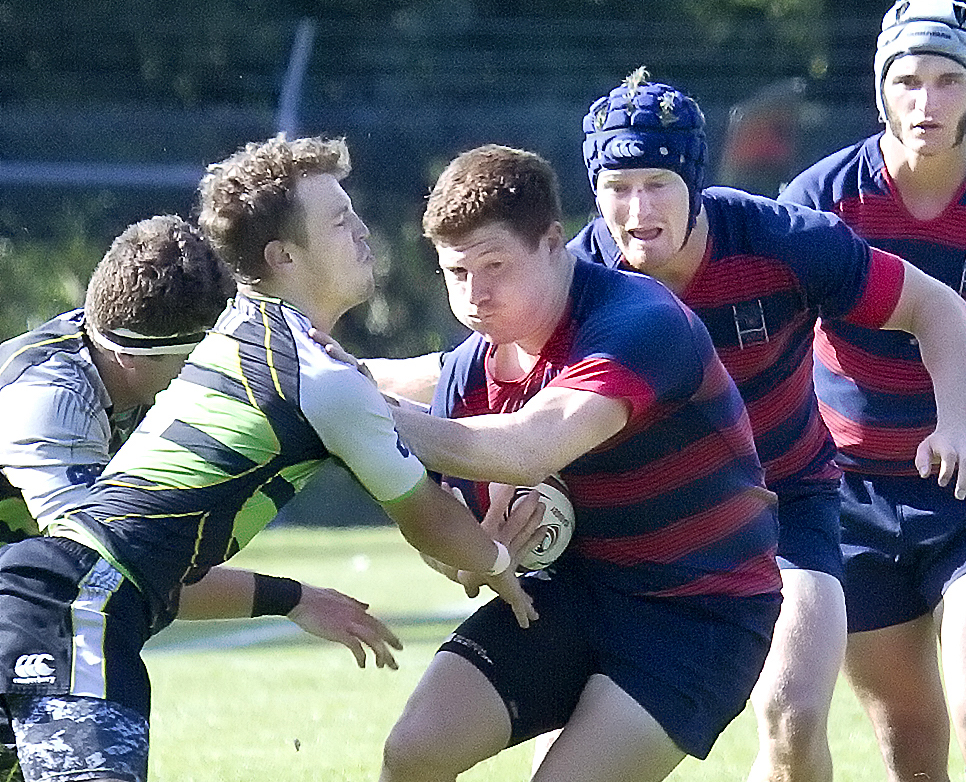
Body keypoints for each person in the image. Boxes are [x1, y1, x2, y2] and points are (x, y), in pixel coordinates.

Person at [0, 136, 541, 782]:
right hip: (78, 608)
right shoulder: (316, 378)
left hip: (56, 600)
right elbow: (425, 516)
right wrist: (503, 569)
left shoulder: (252, 333)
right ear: (284, 255)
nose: (362, 231)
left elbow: (392, 407)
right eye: (340, 221)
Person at [564, 67, 966, 782]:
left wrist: (958, 425)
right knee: (575, 757)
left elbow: (935, 307)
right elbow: (495, 384)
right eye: (618, 186)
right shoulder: (576, 280)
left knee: (791, 717)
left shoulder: (780, 241)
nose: (638, 209)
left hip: (786, 507)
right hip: (642, 529)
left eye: (658, 184)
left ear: (692, 182)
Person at [361, 143, 783, 782]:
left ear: (554, 242)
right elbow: (444, 535)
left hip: (698, 613)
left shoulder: (640, 320)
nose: (476, 294)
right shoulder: (468, 376)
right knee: (414, 753)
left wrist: (355, 416)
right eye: (456, 272)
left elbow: (531, 444)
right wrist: (475, 554)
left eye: (495, 264)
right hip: (567, 594)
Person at [0, 213, 411, 782]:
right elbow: (107, 573)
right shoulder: (52, 402)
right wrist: (288, 597)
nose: (215, 377)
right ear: (137, 355)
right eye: (201, 359)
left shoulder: (114, 356)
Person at [778, 3, 966, 781]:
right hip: (844, 497)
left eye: (949, 80)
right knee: (911, 743)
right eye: (908, 81)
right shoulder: (822, 199)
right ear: (883, 91)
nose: (928, 101)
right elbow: (771, 339)